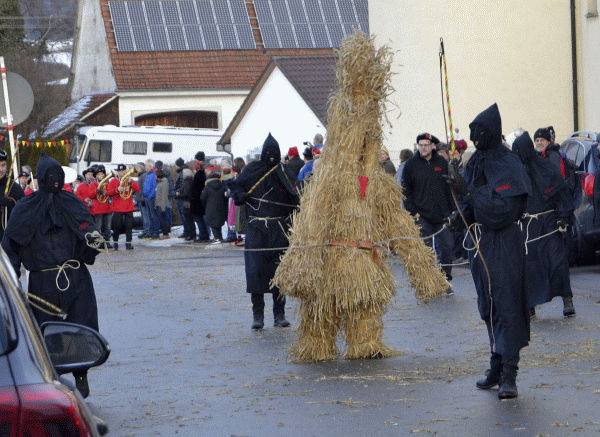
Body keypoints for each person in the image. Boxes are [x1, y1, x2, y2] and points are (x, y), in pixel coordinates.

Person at [445, 103, 531, 399]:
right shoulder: (476, 161)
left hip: (504, 242)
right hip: (480, 243)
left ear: (491, 133)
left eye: (480, 134)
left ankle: (510, 374)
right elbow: (473, 206)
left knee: (506, 304)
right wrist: (460, 213)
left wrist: (472, 193)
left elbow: (502, 210)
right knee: (488, 306)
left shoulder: (509, 163)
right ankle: (496, 364)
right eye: (472, 135)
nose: (475, 140)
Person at [2, 153, 105, 398]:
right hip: (45, 282)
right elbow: (12, 246)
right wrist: (10, 279)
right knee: (49, 333)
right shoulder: (26, 208)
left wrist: (92, 241)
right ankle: (55, 379)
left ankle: (81, 374)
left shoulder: (72, 203)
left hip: (73, 278)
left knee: (79, 327)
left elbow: (88, 231)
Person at [227, 133, 299, 329]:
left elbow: (296, 194)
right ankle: (257, 316)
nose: (272, 157)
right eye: (268, 153)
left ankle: (279, 314)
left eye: (275, 153)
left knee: (279, 272)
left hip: (279, 230)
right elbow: (235, 188)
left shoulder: (283, 172)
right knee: (255, 271)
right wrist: (239, 195)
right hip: (257, 230)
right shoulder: (252, 169)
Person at [512, 132, 576, 318]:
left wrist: (563, 217)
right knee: (530, 266)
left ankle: (567, 299)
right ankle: (530, 304)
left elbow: (561, 193)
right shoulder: (518, 172)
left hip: (549, 222)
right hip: (528, 225)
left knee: (557, 262)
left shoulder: (546, 167)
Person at [402, 132, 455, 295]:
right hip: (421, 215)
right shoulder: (411, 165)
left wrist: (451, 208)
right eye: (421, 145)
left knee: (448, 247)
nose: (424, 148)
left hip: (440, 214)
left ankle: (444, 280)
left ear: (433, 146)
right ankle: (426, 283)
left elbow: (448, 188)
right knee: (425, 251)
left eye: (426, 145)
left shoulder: (441, 162)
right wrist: (413, 212)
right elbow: (405, 191)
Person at [107, 164, 140, 249]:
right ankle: (115, 242)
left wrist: (131, 182)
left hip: (129, 207)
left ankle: (128, 243)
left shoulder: (129, 180)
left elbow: (137, 189)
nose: (122, 173)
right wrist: (117, 190)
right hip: (117, 207)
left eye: (123, 171)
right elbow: (109, 192)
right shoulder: (114, 181)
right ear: (118, 172)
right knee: (117, 226)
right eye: (120, 171)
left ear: (126, 171)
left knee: (129, 226)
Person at [0, 151, 25, 241]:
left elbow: (25, 213)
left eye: (3, 165)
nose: (1, 169)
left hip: (8, 240)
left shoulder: (15, 188)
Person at [201, 166, 228, 244]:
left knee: (212, 223)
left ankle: (216, 238)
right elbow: (225, 197)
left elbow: (202, 198)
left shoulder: (207, 187)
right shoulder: (222, 187)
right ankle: (220, 237)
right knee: (219, 223)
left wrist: (205, 203)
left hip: (210, 207)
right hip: (221, 207)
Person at [89, 165, 113, 246]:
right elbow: (90, 195)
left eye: (102, 174)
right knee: (98, 227)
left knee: (107, 227)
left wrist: (105, 192)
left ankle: (107, 242)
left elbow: (111, 192)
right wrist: (97, 191)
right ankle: (98, 242)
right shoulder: (93, 184)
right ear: (96, 176)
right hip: (98, 208)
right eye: (98, 174)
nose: (100, 176)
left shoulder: (107, 183)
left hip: (107, 208)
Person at [190, 152, 211, 242]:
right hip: (200, 199)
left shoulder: (199, 175)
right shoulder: (201, 174)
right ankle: (204, 233)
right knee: (201, 218)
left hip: (198, 200)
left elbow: (196, 188)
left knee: (200, 218)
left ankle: (204, 234)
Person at [142, 160, 160, 239]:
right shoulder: (148, 174)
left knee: (153, 215)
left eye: (146, 165)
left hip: (151, 198)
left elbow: (154, 187)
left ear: (150, 166)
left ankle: (156, 232)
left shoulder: (153, 175)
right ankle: (152, 232)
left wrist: (150, 196)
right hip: (146, 197)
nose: (145, 167)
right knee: (149, 216)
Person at [174, 157, 190, 239]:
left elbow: (183, 185)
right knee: (184, 215)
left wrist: (177, 192)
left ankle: (188, 232)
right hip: (181, 197)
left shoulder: (182, 173)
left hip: (182, 197)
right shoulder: (182, 172)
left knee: (184, 215)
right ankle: (186, 231)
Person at [154, 169, 171, 239]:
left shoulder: (164, 182)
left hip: (162, 205)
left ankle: (165, 233)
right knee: (161, 219)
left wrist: (163, 208)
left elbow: (164, 196)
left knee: (163, 220)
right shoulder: (159, 182)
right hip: (158, 204)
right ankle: (164, 233)